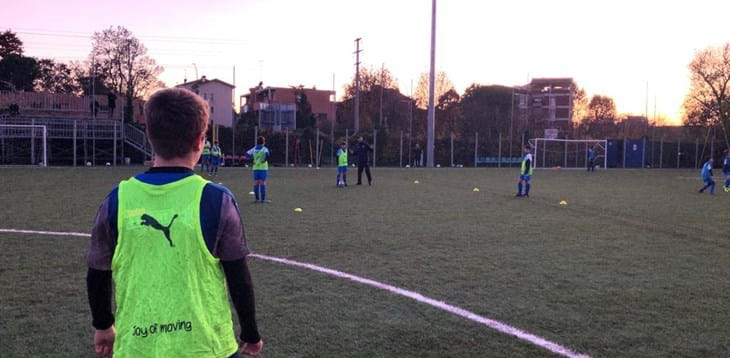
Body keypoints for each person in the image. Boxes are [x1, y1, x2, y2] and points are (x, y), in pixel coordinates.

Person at [86, 88, 263, 358]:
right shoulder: (217, 200)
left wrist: (103, 325)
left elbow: (97, 272)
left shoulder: (116, 200)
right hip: (209, 348)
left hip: (137, 348)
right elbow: (238, 275)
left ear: (149, 136)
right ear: (199, 140)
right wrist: (250, 334)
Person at [245, 136, 270, 203]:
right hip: (263, 168)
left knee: (256, 183)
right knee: (263, 183)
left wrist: (252, 159)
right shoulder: (265, 149)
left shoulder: (254, 148)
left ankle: (256, 199)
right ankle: (263, 199)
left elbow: (247, 154)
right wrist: (264, 160)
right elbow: (268, 155)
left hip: (256, 168)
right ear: (263, 142)